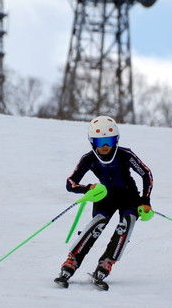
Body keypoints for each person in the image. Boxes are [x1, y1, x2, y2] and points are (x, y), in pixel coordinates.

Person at [55, 115, 154, 290]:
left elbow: (146, 174)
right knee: (97, 224)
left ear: (116, 140)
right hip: (105, 195)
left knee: (127, 223)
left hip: (129, 196)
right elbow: (70, 183)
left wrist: (145, 200)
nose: (105, 146)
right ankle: (72, 261)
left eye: (108, 140)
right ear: (92, 142)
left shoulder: (125, 154)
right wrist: (88, 188)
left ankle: (107, 262)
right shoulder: (89, 158)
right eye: (100, 142)